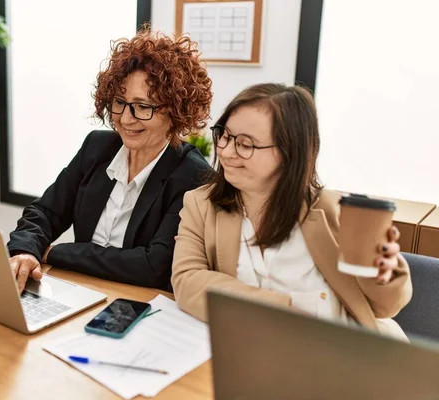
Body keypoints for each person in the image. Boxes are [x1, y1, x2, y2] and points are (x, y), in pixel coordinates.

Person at [171, 83, 412, 339]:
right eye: (226, 136)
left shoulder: (333, 211)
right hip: (259, 351)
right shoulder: (201, 204)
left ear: (289, 153)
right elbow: (187, 281)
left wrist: (381, 273)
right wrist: (282, 309)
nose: (226, 152)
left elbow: (386, 307)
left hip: (347, 354)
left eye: (245, 144)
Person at [7, 30, 213, 293]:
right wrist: (26, 250)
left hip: (140, 303)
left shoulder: (193, 175)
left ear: (176, 111)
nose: (126, 119)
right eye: (119, 102)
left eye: (143, 106)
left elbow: (153, 266)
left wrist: (55, 253)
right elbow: (46, 211)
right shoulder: (97, 147)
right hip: (79, 289)